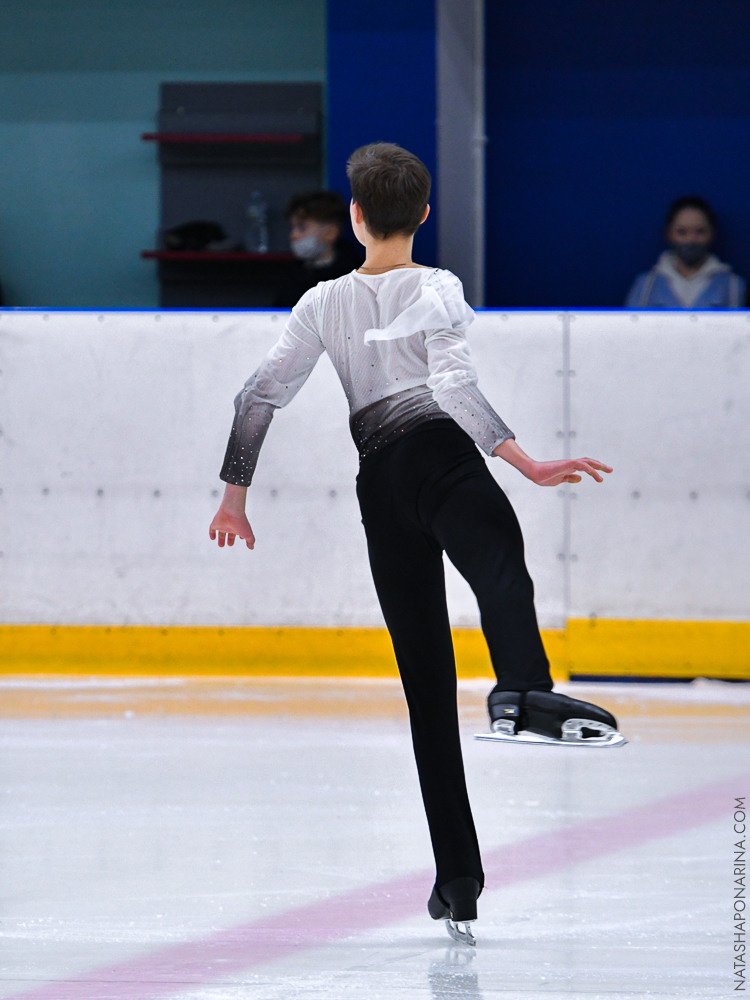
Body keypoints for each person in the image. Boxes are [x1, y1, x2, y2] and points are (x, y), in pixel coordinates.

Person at [209, 142, 618, 944]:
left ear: (355, 216)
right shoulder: (437, 286)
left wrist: (235, 496)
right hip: (443, 462)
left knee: (426, 687)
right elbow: (452, 384)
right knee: (501, 572)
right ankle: (521, 691)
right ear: (424, 215)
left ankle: (457, 880)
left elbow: (258, 396)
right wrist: (527, 462)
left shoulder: (320, 302)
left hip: (381, 486)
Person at [625, 196, 745, 308]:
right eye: (681, 232)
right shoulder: (646, 286)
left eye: (700, 232)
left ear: (712, 233)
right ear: (668, 234)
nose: (691, 240)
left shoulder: (733, 286)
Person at [273, 190, 363, 307]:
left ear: (330, 233)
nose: (293, 235)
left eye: (302, 228)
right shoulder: (291, 275)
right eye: (293, 227)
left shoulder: (353, 276)